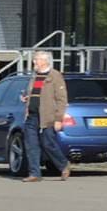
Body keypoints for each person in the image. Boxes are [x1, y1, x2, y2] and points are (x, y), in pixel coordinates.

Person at [21, 50, 70, 182]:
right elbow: (35, 94)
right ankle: (34, 173)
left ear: (44, 61)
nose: (34, 62)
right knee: (31, 145)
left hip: (47, 116)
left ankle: (63, 164)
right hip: (32, 115)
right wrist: (27, 98)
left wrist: (58, 119)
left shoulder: (55, 76)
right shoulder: (35, 76)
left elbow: (61, 99)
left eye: (36, 59)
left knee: (48, 143)